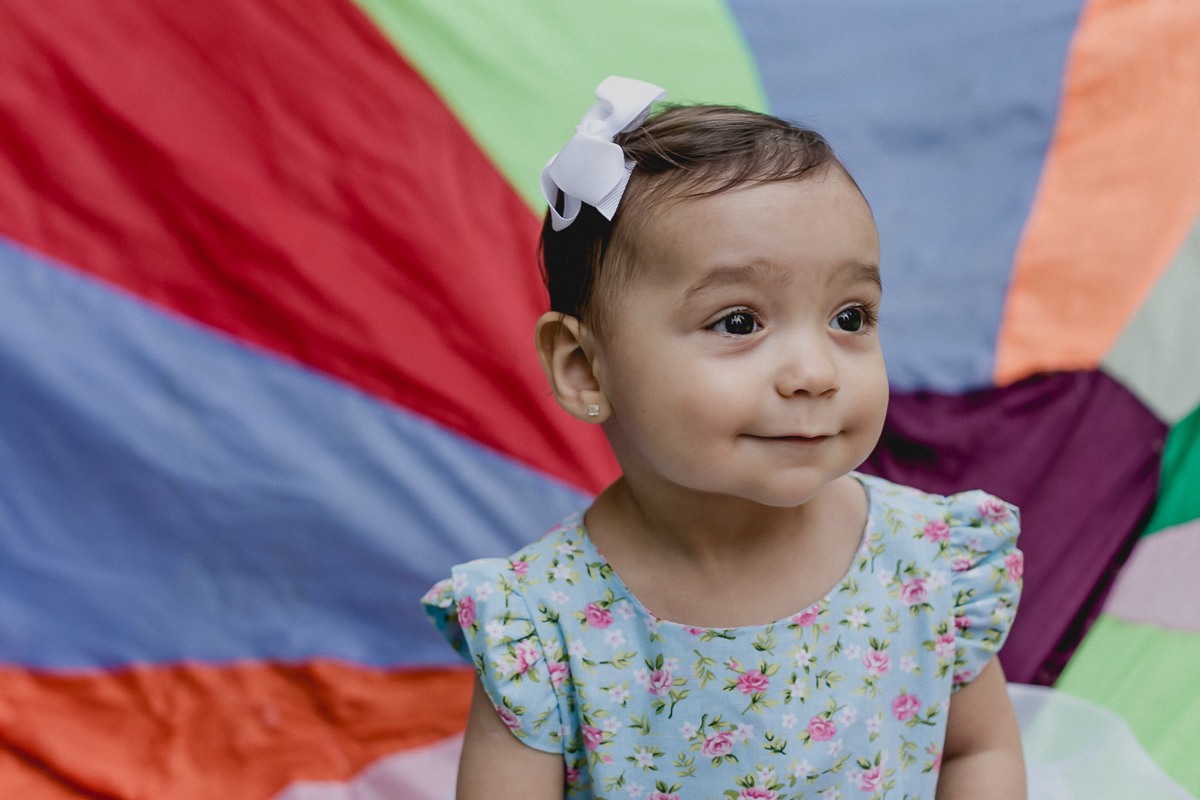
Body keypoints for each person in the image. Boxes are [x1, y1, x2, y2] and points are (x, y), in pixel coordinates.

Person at [422, 76, 1026, 800]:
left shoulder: (929, 563)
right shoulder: (542, 627)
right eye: (739, 321)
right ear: (585, 368)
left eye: (850, 317)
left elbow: (976, 752)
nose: (814, 370)